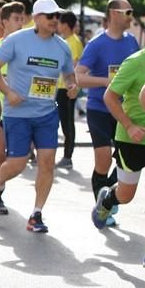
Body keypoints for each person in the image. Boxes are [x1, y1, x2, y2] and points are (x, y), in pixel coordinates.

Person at [0, 0, 78, 232]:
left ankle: (36, 214)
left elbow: (69, 75)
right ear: (36, 18)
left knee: (47, 164)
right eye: (50, 16)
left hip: (46, 114)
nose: (55, 20)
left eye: (57, 16)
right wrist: (7, 91)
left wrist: (72, 85)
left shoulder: (62, 46)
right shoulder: (17, 40)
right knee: (17, 163)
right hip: (18, 113)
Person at [93, 16, 145, 271]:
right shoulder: (135, 63)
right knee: (126, 194)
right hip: (133, 139)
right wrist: (130, 125)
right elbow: (110, 96)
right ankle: (107, 200)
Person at [76, 0, 140, 215]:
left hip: (125, 110)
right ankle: (101, 207)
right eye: (128, 12)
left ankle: (109, 198)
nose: (131, 17)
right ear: (114, 13)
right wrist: (106, 82)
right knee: (103, 157)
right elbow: (80, 77)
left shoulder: (132, 41)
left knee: (127, 160)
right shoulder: (97, 44)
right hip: (100, 108)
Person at [0, 1, 26, 213]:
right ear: (5, 21)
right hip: (0, 108)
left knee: (16, 158)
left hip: (24, 111)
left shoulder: (28, 47)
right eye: (16, 19)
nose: (20, 23)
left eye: (22, 19)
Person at [55, 10, 84, 169]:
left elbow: (71, 66)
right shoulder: (66, 40)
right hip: (59, 88)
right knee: (62, 121)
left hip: (67, 89)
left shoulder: (73, 42)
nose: (57, 25)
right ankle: (66, 155)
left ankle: (68, 156)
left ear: (65, 24)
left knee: (67, 123)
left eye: (59, 22)